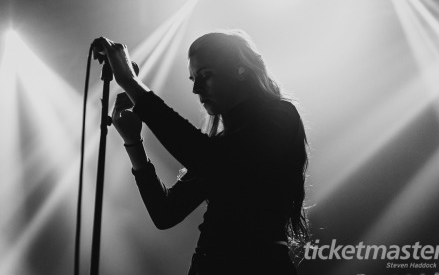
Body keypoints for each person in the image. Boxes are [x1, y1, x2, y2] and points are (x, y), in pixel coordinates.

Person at [97, 29, 309, 274]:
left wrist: (131, 82)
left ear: (240, 70)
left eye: (205, 75)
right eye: (193, 79)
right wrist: (133, 142)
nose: (196, 89)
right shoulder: (222, 145)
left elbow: (212, 160)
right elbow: (166, 212)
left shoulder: (280, 117)